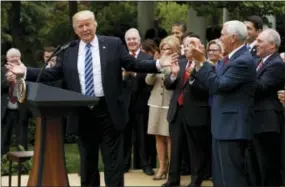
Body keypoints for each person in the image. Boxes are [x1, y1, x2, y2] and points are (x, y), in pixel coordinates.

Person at [5, 10, 177, 187]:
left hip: (109, 110)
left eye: (88, 24)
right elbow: (52, 73)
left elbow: (133, 64)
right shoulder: (69, 50)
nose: (85, 28)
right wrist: (24, 72)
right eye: (81, 25)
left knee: (113, 162)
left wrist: (157, 64)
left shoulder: (112, 44)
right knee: (87, 161)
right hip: (82, 111)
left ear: (95, 24)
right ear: (75, 29)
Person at [190, 20, 256, 187]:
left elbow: (218, 86)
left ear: (233, 38)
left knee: (232, 178)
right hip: (222, 126)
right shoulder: (229, 58)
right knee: (220, 178)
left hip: (233, 128)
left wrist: (202, 61)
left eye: (222, 35)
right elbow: (213, 82)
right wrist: (199, 64)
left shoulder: (243, 60)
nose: (220, 38)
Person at [162, 36, 211, 187]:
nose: (189, 48)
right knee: (175, 147)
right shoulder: (180, 63)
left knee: (195, 149)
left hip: (196, 112)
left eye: (192, 45)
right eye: (187, 45)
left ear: (199, 48)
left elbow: (207, 89)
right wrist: (174, 74)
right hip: (177, 111)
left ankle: (196, 181)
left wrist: (192, 79)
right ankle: (173, 179)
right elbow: (169, 85)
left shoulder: (205, 65)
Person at [252, 29, 285, 186]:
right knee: (256, 169)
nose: (255, 44)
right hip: (255, 121)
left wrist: (242, 73)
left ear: (272, 46)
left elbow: (261, 87)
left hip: (267, 122)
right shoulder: (260, 62)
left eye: (259, 41)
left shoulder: (277, 63)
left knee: (267, 168)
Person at [145, 35, 179, 180]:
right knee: (158, 136)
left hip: (170, 103)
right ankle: (162, 167)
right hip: (155, 103)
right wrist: (157, 66)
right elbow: (148, 81)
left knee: (170, 137)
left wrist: (168, 67)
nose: (165, 51)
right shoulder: (157, 62)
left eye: (169, 49)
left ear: (175, 50)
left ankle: (172, 169)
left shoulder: (178, 63)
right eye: (163, 48)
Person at [123, 28, 156, 175]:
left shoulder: (147, 58)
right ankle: (123, 165)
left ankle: (145, 164)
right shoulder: (120, 57)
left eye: (134, 38)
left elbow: (148, 80)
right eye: (129, 39)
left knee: (143, 137)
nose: (131, 41)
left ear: (139, 40)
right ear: (126, 41)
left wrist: (134, 73)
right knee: (124, 135)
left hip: (141, 103)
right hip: (123, 104)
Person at [1, 48, 29, 156]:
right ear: (7, 59)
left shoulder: (25, 70)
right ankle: (2, 161)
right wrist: (7, 82)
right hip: (5, 110)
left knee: (21, 139)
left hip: (21, 109)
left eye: (16, 56)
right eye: (11, 56)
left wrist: (20, 78)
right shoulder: (1, 71)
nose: (14, 58)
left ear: (20, 58)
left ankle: (23, 163)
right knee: (3, 138)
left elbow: (30, 87)